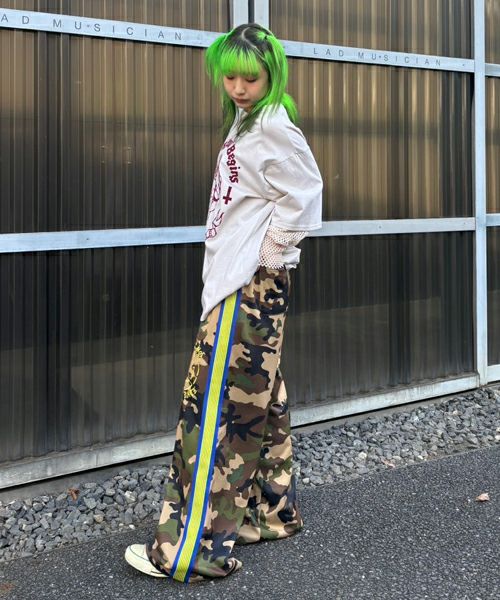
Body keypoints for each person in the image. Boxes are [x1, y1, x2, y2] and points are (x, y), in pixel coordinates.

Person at [124, 22, 323, 584]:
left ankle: (189, 551)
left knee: (215, 412)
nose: (238, 87)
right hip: (242, 286)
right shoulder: (250, 119)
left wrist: (266, 256)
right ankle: (269, 515)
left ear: (272, 74)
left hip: (245, 288)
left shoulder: (273, 126)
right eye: (230, 76)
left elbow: (306, 196)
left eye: (250, 78)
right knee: (260, 399)